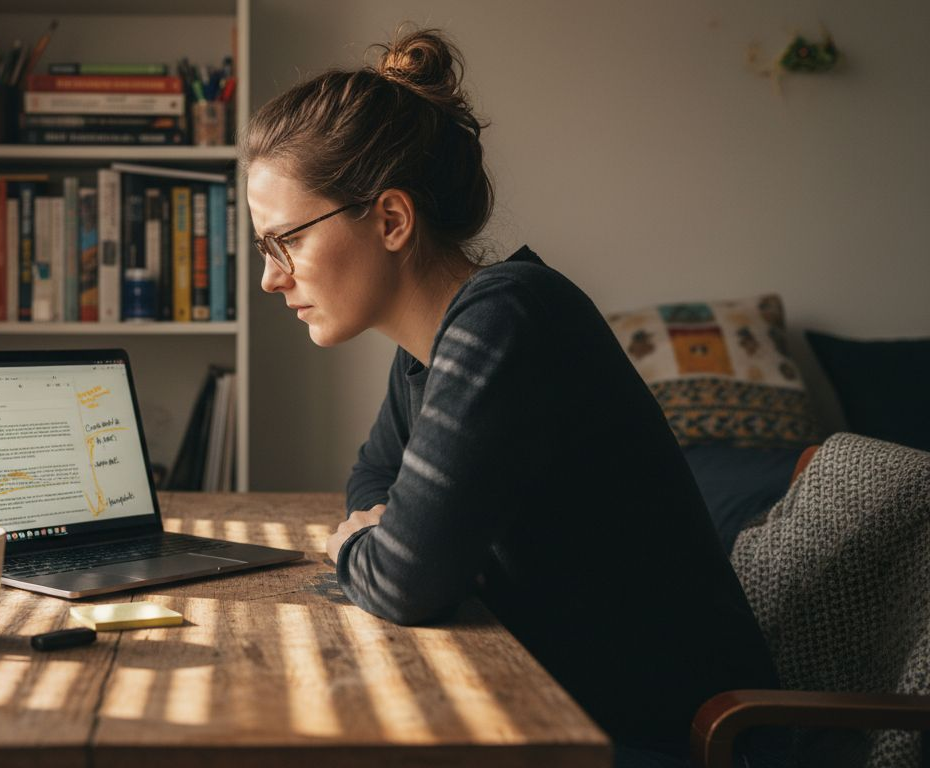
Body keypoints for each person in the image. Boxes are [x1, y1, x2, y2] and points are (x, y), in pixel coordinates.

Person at [241, 26, 783, 768]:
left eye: (285, 242)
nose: (272, 278)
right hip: (563, 713)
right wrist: (391, 534)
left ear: (392, 220)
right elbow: (372, 481)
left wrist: (355, 544)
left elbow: (406, 580)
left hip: (666, 744)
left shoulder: (507, 317)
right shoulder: (427, 352)